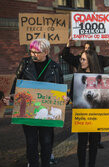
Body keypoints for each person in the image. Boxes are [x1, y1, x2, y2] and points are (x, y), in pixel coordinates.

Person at [3, 39, 64, 167]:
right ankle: (33, 163)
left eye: (37, 52)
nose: (33, 55)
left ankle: (46, 163)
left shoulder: (55, 67)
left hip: (47, 111)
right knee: (31, 142)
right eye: (31, 52)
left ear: (46, 52)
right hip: (28, 109)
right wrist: (13, 94)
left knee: (46, 142)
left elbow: (60, 86)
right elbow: (16, 82)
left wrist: (65, 98)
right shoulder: (25, 64)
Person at [68, 49, 104, 167]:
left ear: (90, 60)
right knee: (82, 143)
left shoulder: (101, 77)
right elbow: (72, 94)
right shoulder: (78, 77)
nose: (81, 61)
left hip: (96, 115)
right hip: (82, 114)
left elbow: (105, 96)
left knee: (94, 143)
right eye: (81, 59)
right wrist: (68, 99)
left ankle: (91, 164)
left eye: (83, 59)